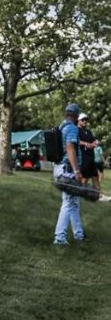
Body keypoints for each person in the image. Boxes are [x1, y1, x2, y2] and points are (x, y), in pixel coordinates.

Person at [53, 103, 86, 245]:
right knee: (68, 203)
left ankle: (79, 234)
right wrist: (77, 170)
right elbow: (70, 148)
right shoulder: (72, 128)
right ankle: (60, 237)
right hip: (68, 170)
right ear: (76, 115)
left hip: (59, 167)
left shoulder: (61, 127)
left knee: (74, 203)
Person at [77, 113, 100, 193]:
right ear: (78, 120)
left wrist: (95, 142)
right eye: (83, 120)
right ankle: (80, 194)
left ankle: (98, 194)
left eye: (86, 120)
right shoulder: (76, 130)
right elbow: (77, 141)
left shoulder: (88, 131)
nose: (85, 121)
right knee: (85, 177)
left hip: (91, 157)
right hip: (83, 157)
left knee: (95, 175)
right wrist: (86, 144)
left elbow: (94, 140)